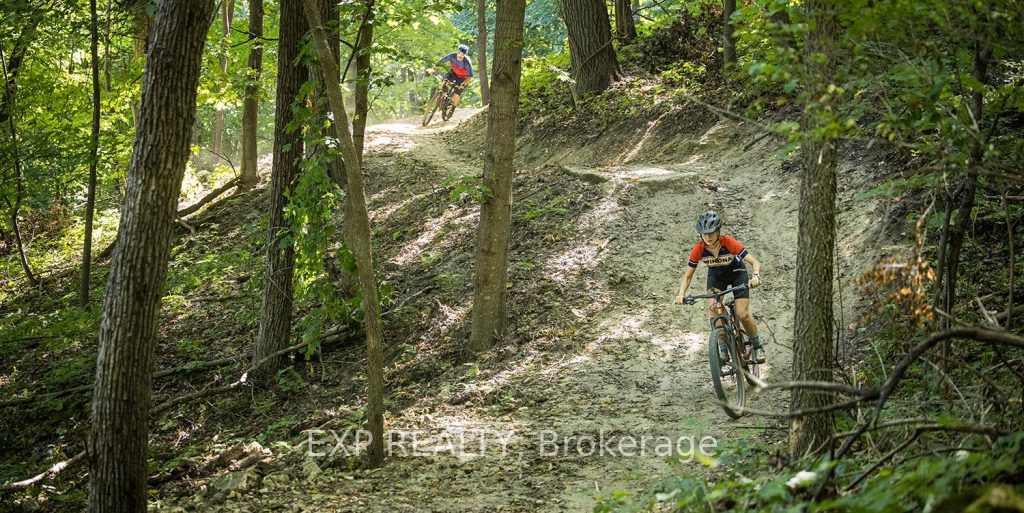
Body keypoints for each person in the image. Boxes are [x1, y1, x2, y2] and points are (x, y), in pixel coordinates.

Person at [674, 212, 764, 354]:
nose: (707, 237)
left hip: (737, 273)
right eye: (704, 234)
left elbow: (754, 262)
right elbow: (688, 276)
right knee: (713, 309)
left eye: (711, 233)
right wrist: (681, 294)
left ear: (718, 232)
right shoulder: (699, 248)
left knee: (742, 314)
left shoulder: (728, 242)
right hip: (717, 276)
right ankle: (722, 344)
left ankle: (757, 345)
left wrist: (756, 276)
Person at [437, 44, 474, 108]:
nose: (460, 55)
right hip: (453, 74)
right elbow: (440, 62)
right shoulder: (451, 56)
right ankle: (441, 95)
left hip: (463, 78)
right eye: (459, 53)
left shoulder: (467, 62)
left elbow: (470, 76)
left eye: (463, 54)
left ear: (465, 55)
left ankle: (452, 109)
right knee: (444, 80)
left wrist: (463, 84)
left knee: (456, 94)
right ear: (457, 52)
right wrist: (433, 68)